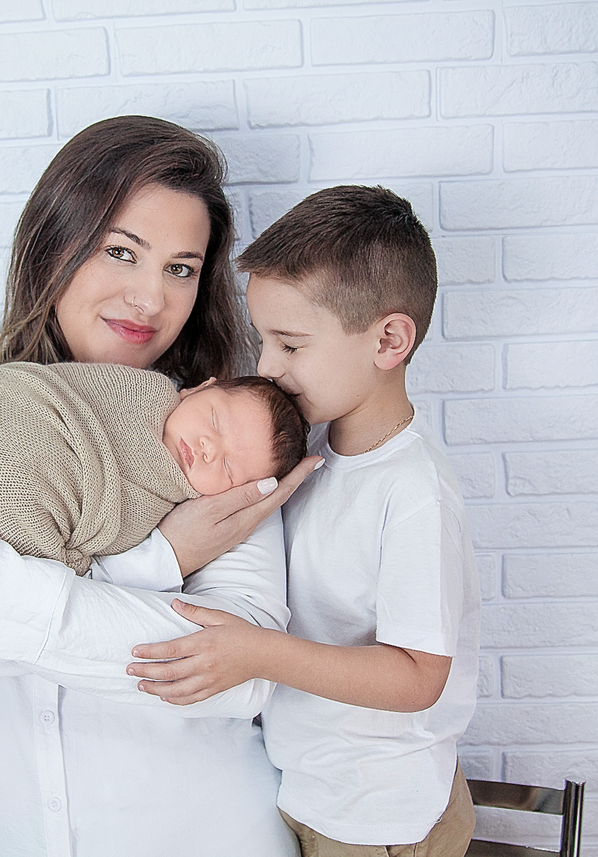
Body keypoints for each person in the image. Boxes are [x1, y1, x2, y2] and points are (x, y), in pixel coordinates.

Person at [0, 115, 318, 857]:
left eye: (181, 269)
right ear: (55, 240)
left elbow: (239, 677)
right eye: (121, 251)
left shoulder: (224, 433)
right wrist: (157, 560)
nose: (150, 299)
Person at [127, 186, 482, 857]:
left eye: (290, 344)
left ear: (389, 340)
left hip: (378, 818)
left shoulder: (414, 493)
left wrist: (255, 652)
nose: (266, 366)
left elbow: (418, 677)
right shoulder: (309, 449)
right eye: (264, 340)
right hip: (309, 788)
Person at [0, 364, 308, 574]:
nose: (208, 448)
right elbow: (61, 388)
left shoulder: (160, 509)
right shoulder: (140, 389)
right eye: (215, 420)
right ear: (200, 388)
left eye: (227, 467)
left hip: (15, 502)